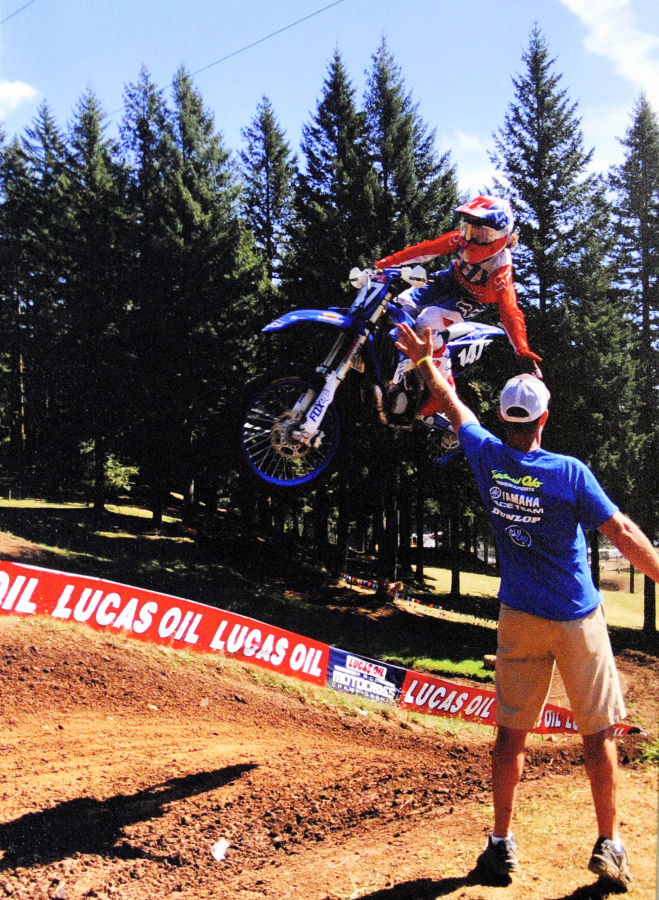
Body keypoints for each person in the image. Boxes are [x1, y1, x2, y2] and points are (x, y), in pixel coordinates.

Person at [394, 321, 659, 893]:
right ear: (543, 420)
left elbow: (453, 404)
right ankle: (609, 847)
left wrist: (423, 361)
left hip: (518, 619)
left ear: (507, 419)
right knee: (599, 736)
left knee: (510, 738)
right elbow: (621, 531)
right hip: (577, 620)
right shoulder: (569, 473)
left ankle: (500, 847)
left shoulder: (487, 457)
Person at [376, 196, 542, 418]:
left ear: (501, 238)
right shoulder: (459, 240)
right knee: (400, 305)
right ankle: (395, 365)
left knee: (428, 321)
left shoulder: (500, 271)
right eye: (468, 230)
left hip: (471, 299)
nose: (471, 238)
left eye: (482, 234)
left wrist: (521, 349)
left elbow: (510, 311)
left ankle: (443, 388)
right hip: (447, 281)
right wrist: (381, 266)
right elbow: (423, 250)